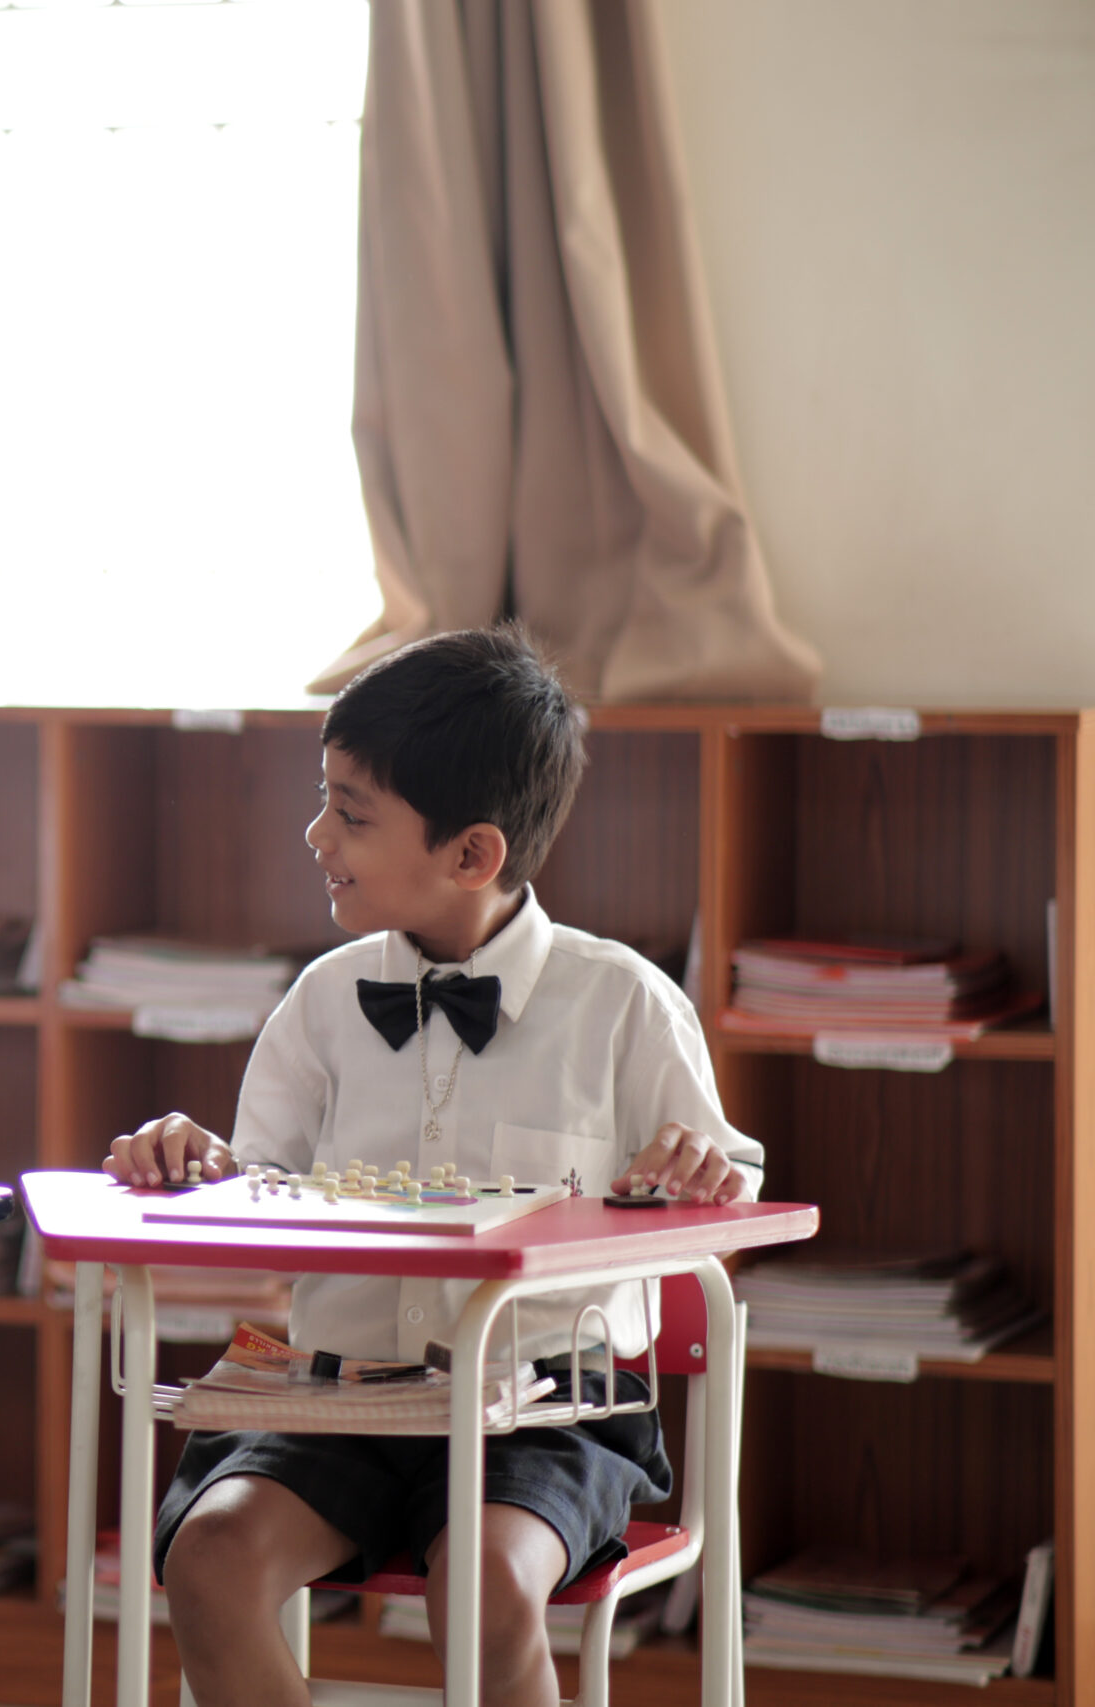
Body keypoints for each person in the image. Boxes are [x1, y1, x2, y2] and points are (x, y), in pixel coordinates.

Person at [104, 625, 763, 1707]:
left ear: (471, 855)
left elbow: (729, 1187)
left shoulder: (623, 1004)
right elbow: (254, 1188)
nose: (316, 834)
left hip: (550, 1416)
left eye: (351, 814)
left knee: (487, 1586)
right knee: (210, 1559)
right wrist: (193, 1161)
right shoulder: (320, 1001)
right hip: (338, 1402)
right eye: (324, 798)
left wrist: (702, 1172)